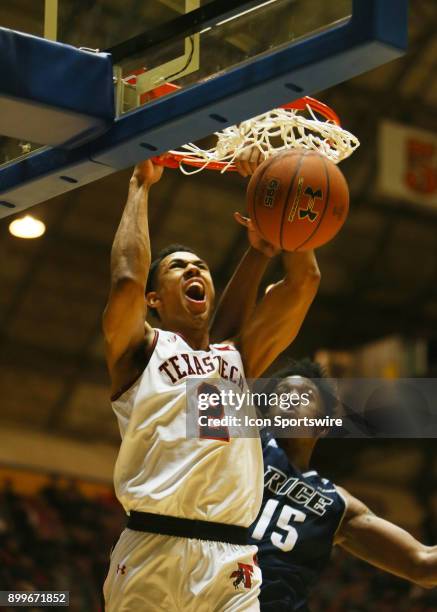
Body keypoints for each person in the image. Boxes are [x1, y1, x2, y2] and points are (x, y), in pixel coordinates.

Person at [102, 157, 321, 611]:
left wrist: (279, 210)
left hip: (231, 559)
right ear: (155, 298)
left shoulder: (237, 358)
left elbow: (305, 282)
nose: (194, 270)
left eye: (200, 265)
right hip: (151, 547)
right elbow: (126, 282)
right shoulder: (141, 351)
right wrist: (140, 184)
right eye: (178, 267)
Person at [249, 359, 437, 611]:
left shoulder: (336, 503)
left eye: (305, 395)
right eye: (282, 393)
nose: (291, 399)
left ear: (323, 424)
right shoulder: (245, 447)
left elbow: (422, 563)